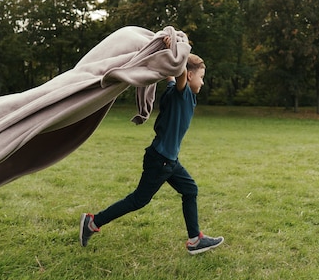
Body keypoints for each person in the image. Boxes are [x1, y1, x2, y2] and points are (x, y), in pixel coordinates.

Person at [79, 36, 224, 255]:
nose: (203, 82)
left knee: (190, 190)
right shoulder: (181, 92)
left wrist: (167, 50)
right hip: (161, 160)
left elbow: (169, 74)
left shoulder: (178, 89)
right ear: (190, 75)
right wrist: (175, 48)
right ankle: (92, 222)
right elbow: (178, 71)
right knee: (139, 200)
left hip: (168, 160)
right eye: (201, 77)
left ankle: (195, 240)